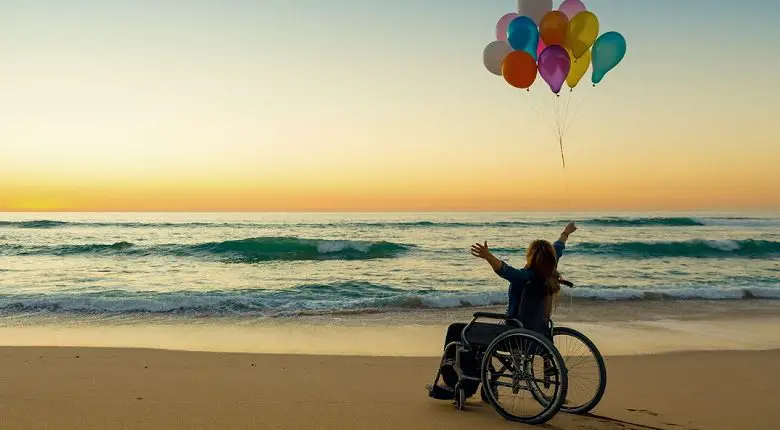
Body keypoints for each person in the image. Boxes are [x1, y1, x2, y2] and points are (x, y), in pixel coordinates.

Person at [429, 222, 577, 399]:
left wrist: (487, 256)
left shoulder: (527, 277)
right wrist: (566, 233)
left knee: (457, 330)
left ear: (531, 256)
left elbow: (505, 271)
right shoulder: (549, 273)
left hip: (514, 335)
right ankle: (489, 386)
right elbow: (558, 247)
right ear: (550, 259)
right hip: (539, 336)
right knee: (477, 335)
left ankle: (457, 383)